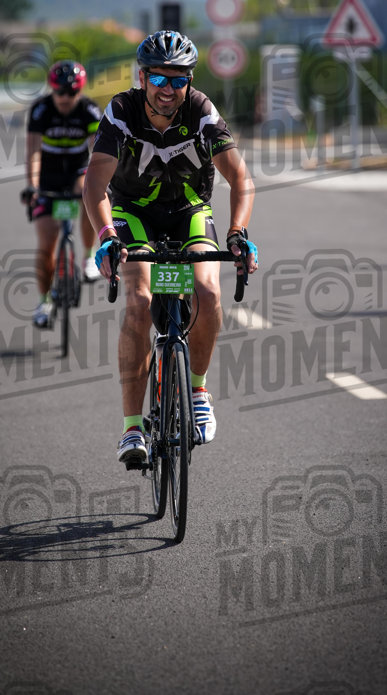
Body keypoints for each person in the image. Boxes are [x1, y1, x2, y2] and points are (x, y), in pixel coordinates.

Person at [83, 30, 258, 467]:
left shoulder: (201, 110)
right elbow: (94, 184)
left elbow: (241, 179)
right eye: (159, 79)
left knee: (209, 294)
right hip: (133, 212)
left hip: (188, 211)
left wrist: (237, 232)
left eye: (178, 80)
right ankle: (131, 428)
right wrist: (106, 237)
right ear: (142, 77)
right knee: (140, 302)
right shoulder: (121, 111)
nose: (168, 89)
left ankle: (197, 390)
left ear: (190, 80)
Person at [21, 59, 103, 328]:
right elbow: (33, 152)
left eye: (72, 93)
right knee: (48, 240)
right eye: (60, 93)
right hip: (48, 176)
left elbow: (97, 153)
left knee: (90, 194)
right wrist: (33, 186)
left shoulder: (90, 110)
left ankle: (89, 255)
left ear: (80, 91)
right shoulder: (40, 110)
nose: (66, 98)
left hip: (79, 171)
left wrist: (100, 182)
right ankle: (44, 300)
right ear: (52, 90)